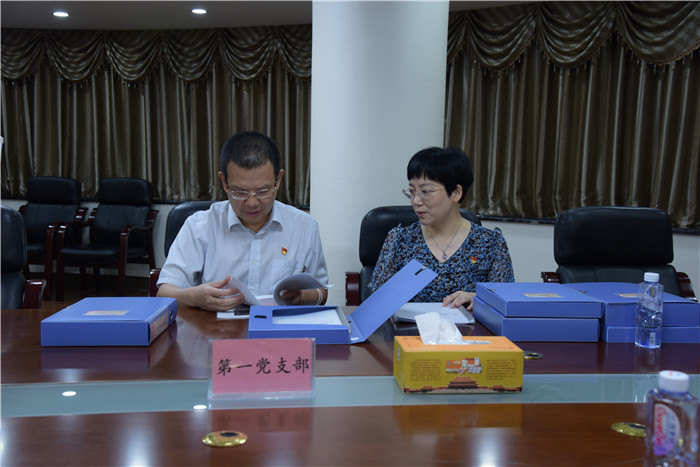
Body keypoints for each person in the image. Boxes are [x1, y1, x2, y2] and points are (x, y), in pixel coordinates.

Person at [157, 131, 329, 311]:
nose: (252, 203)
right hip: (215, 325)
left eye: (263, 191)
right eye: (240, 192)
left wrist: (301, 296)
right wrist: (196, 298)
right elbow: (164, 292)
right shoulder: (200, 226)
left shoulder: (304, 226)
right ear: (224, 182)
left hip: (277, 324)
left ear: (278, 180)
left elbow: (322, 292)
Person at [368, 146, 514, 311]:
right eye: (412, 191)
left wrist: (477, 297)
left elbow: (505, 302)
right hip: (409, 327)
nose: (416, 201)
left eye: (425, 191)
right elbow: (376, 306)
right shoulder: (399, 239)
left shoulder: (490, 243)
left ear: (456, 193)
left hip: (467, 328)